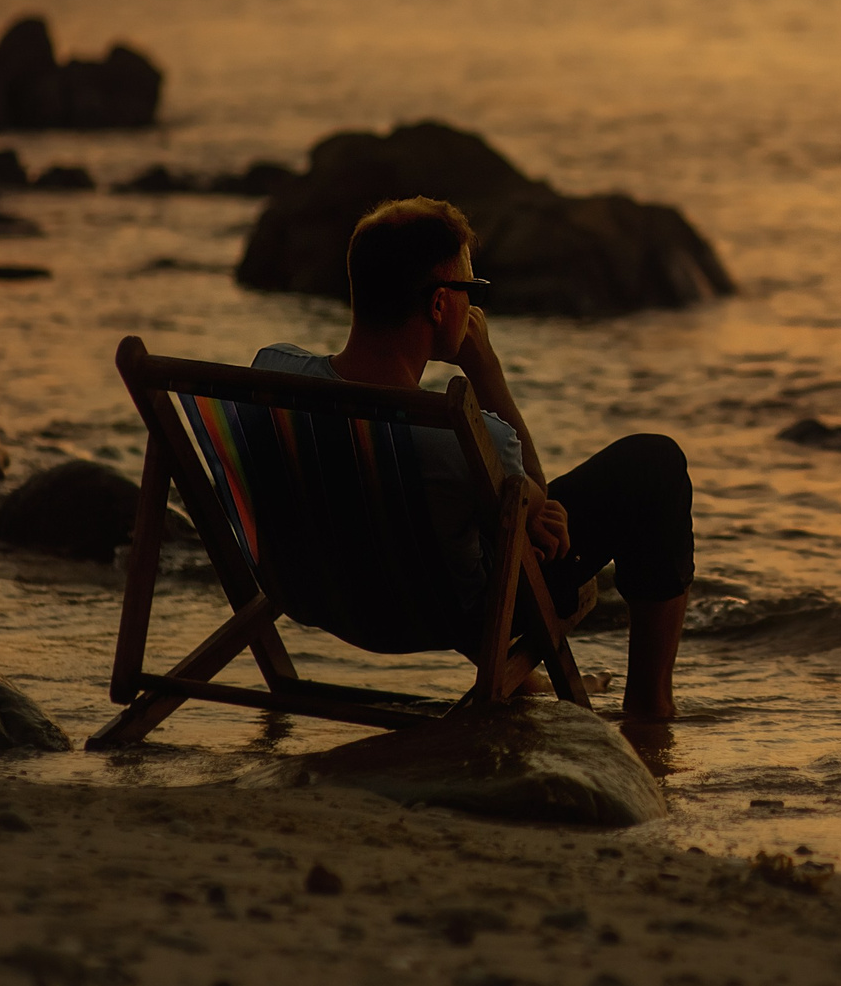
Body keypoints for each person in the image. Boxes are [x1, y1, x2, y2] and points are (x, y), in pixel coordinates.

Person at [252, 197, 690, 722]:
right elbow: (539, 520)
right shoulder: (462, 441)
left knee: (454, 525)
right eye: (470, 291)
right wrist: (487, 371)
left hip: (313, 593)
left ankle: (526, 683)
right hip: (445, 614)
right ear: (440, 304)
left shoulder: (273, 375)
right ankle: (650, 708)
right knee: (655, 464)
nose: (474, 308)